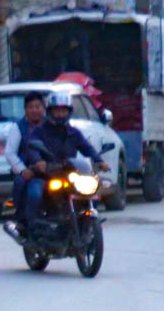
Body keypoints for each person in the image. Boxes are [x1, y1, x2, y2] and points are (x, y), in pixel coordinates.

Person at [15, 92, 108, 234]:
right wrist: (39, 161)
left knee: (90, 191)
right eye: (57, 111)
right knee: (34, 194)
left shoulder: (74, 132)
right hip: (44, 175)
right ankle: (31, 228)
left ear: (69, 112)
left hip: (69, 174)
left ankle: (84, 223)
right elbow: (32, 148)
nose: (60, 114)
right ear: (50, 111)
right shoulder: (39, 131)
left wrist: (99, 161)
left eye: (63, 111)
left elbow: (87, 148)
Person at [4, 90, 46, 235]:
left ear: (44, 108)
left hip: (51, 171)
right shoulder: (18, 127)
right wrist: (23, 170)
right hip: (29, 172)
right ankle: (24, 220)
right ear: (25, 110)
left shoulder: (51, 126)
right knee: (31, 192)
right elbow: (10, 153)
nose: (35, 110)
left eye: (38, 106)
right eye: (31, 107)